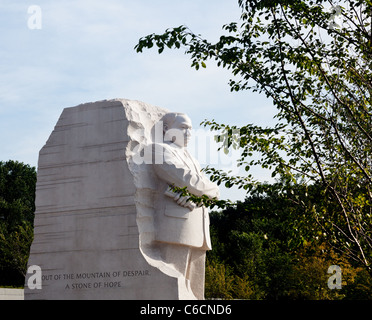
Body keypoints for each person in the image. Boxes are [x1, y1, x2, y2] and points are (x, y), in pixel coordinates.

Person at [151, 112, 219, 299]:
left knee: (195, 292)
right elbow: (185, 179)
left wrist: (204, 195)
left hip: (199, 227)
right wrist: (209, 190)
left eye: (190, 129)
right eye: (183, 128)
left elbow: (208, 188)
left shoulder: (192, 158)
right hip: (176, 226)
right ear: (166, 129)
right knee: (173, 287)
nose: (188, 133)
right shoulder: (159, 150)